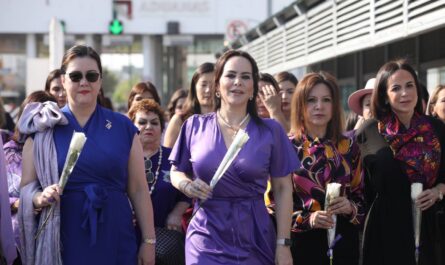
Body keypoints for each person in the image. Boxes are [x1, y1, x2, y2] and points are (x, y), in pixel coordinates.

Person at [19, 45, 155, 265]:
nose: (84, 82)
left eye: (91, 76)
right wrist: (39, 197)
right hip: (63, 237)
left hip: (115, 234)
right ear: (63, 81)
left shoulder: (123, 127)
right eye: (75, 76)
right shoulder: (44, 128)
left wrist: (149, 241)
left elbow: (139, 189)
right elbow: (26, 187)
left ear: (100, 81)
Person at [169, 50, 298, 265]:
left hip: (254, 233)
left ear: (253, 88)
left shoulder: (271, 131)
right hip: (205, 234)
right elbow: (175, 171)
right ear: (217, 85)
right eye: (230, 75)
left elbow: (283, 189)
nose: (237, 82)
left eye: (245, 77)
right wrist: (186, 185)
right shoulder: (194, 125)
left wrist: (283, 244)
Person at [356, 59, 445, 265]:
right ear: (384, 96)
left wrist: (437, 191)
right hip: (384, 229)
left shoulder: (436, 129)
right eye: (396, 88)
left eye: (409, 85)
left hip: (428, 227)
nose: (405, 93)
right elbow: (360, 189)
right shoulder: (368, 132)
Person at [286, 72, 364, 265]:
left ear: (334, 105)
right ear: (300, 105)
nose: (319, 106)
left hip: (343, 241)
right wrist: (307, 219)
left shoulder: (349, 146)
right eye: (311, 100)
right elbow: (272, 204)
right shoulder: (287, 147)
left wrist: (350, 207)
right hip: (302, 244)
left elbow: (363, 197)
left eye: (326, 100)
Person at [128, 98, 190, 264]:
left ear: (162, 128)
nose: (148, 126)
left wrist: (177, 213)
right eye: (142, 122)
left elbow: (187, 193)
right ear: (131, 126)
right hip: (127, 235)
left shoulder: (173, 157)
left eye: (154, 123)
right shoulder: (121, 157)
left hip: (165, 240)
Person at [4, 91, 57, 265]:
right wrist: (20, 203)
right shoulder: (8, 152)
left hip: (52, 234)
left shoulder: (56, 151)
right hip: (16, 240)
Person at [163, 62, 215, 148]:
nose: (208, 90)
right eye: (203, 85)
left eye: (213, 85)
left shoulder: (226, 120)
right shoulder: (180, 120)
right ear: (194, 87)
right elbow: (167, 155)